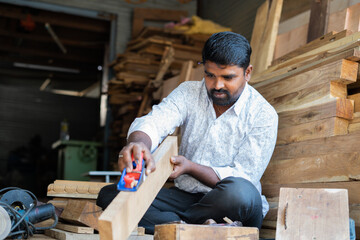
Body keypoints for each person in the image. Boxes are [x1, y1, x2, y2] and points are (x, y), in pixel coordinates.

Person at [96, 31, 278, 234]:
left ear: (248, 73)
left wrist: (191, 167)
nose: (217, 85)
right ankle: (191, 227)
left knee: (240, 192)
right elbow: (154, 122)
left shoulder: (263, 114)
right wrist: (138, 144)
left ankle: (175, 225)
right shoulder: (188, 93)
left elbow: (244, 176)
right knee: (110, 195)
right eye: (210, 75)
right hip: (186, 199)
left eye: (228, 77)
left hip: (229, 204)